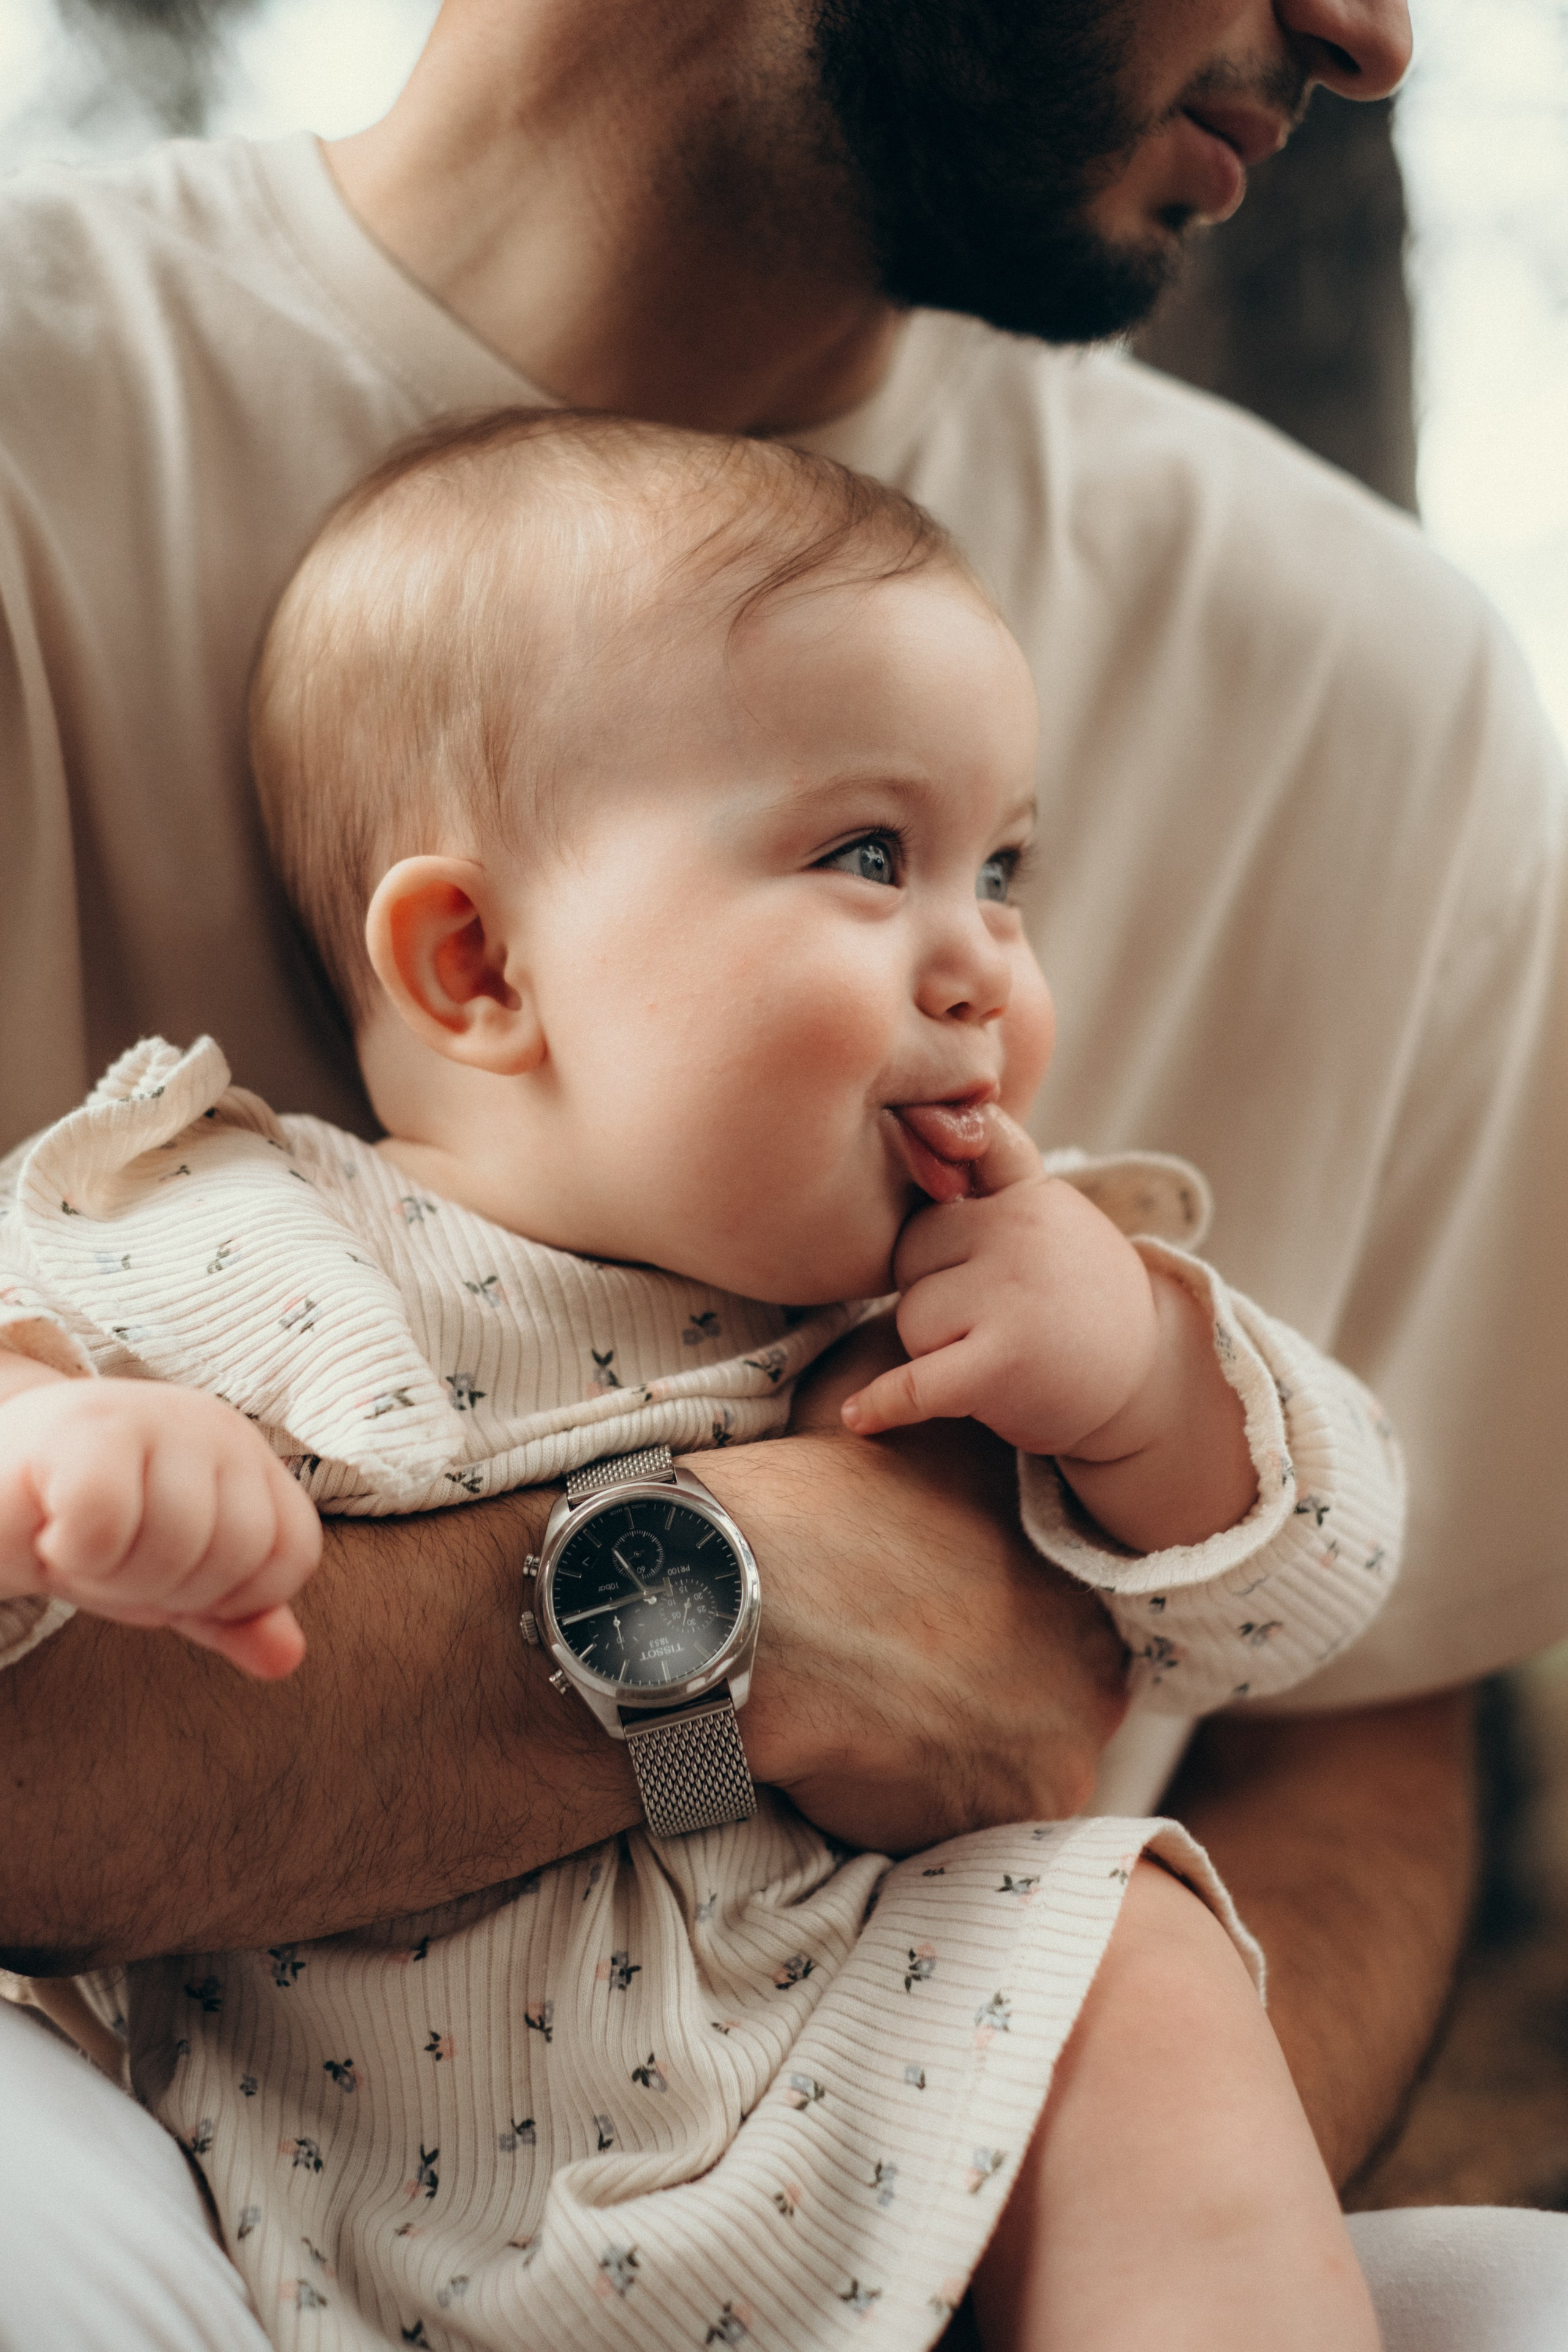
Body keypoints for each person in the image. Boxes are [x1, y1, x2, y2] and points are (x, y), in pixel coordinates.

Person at [1, 0, 1566, 2342]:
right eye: (869, 857)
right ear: (476, 964)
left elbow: (1334, 1654)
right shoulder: (255, 1232)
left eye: (1011, 873)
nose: (1377, 31)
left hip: (893, 2134)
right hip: (294, 2201)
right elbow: (65, 1408)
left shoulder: (1006, 1257)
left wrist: (1149, 1386)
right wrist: (97, 1466)